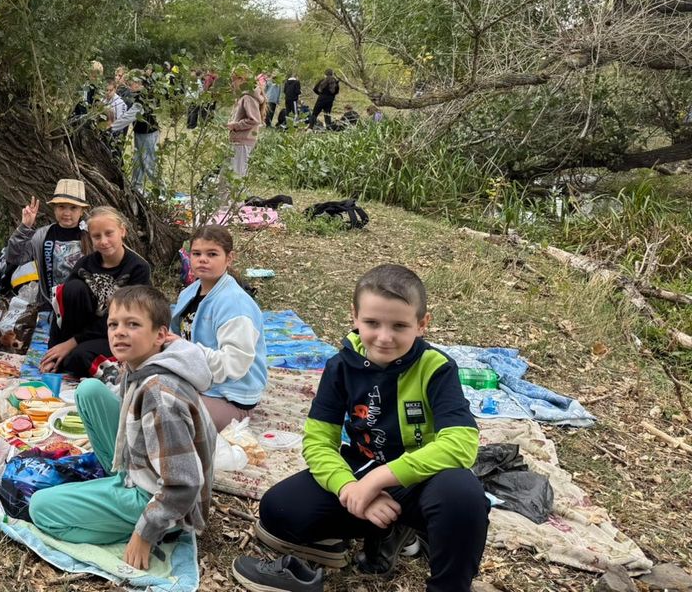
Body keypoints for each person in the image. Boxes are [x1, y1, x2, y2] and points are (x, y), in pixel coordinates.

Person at [233, 264, 487, 592]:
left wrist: (377, 481)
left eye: (399, 326)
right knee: (278, 509)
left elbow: (462, 443)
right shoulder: (340, 366)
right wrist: (349, 489)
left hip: (422, 480)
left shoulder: (436, 368)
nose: (384, 337)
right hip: (360, 468)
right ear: (354, 316)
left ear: (422, 324)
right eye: (372, 323)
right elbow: (318, 442)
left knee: (463, 495)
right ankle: (383, 528)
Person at [29, 286, 216, 571]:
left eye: (133, 325)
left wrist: (145, 533)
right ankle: (118, 486)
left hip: (162, 500)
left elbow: (185, 483)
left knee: (41, 508)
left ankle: (152, 529)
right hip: (140, 471)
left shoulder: (160, 395)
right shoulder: (140, 364)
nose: (119, 333)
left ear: (160, 335)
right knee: (89, 390)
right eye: (113, 324)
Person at [171, 226, 269, 430]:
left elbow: (235, 364)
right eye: (196, 254)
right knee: (142, 391)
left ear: (229, 258)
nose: (202, 260)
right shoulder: (189, 293)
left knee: (168, 415)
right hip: (199, 383)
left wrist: (185, 350)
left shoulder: (235, 304)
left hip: (230, 397)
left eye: (212, 254)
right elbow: (177, 338)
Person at [40, 206, 151, 379]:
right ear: (90, 237)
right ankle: (70, 355)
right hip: (85, 331)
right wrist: (54, 349)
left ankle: (114, 364)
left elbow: (127, 318)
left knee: (79, 357)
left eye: (109, 233)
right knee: (72, 288)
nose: (104, 241)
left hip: (119, 333)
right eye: (97, 236)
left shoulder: (138, 268)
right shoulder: (85, 264)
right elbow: (60, 308)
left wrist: (72, 343)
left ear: (122, 231)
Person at [1, 178, 91, 312]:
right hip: (49, 307)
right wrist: (25, 227)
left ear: (82, 211)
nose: (67, 213)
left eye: (73, 208)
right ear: (54, 209)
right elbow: (14, 257)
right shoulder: (42, 235)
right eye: (61, 206)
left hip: (83, 307)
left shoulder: (92, 236)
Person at [227, 65, 263, 178]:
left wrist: (235, 125)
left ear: (241, 79)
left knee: (235, 176)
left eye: (233, 80)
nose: (232, 84)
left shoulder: (248, 97)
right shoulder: (243, 96)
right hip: (239, 140)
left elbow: (254, 120)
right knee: (228, 175)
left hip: (242, 142)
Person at [127, 72, 161, 191]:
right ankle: (136, 188)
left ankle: (161, 190)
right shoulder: (135, 96)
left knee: (149, 163)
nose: (129, 86)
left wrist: (114, 126)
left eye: (131, 83)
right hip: (139, 132)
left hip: (148, 133)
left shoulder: (142, 97)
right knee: (138, 161)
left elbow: (129, 116)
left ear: (139, 84)